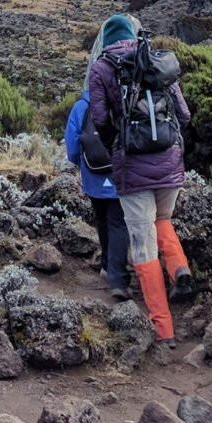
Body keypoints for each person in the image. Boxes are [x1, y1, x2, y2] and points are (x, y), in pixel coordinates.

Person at [88, 14, 193, 347]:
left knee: (143, 246)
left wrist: (116, 146)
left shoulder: (102, 68)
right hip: (169, 162)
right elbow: (184, 113)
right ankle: (179, 270)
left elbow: (101, 119)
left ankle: (162, 329)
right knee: (162, 219)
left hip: (132, 168)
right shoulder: (156, 57)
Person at [65, 90, 131, 298]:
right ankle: (117, 277)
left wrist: (81, 165)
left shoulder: (81, 106)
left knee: (101, 219)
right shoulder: (123, 101)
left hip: (92, 172)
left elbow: (72, 146)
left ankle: (106, 265)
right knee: (118, 222)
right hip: (121, 171)